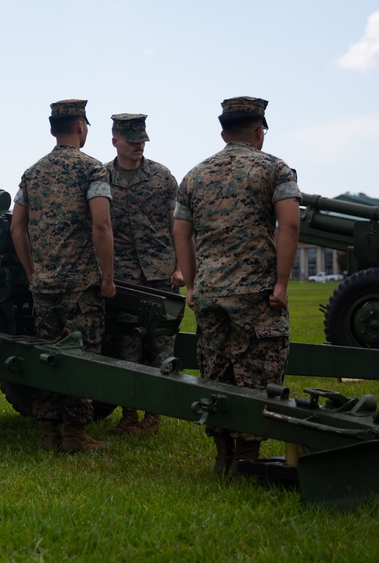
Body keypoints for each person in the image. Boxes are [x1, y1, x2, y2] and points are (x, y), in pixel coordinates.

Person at [172, 96, 301, 475]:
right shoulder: (275, 169)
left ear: (223, 131)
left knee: (217, 372)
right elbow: (290, 225)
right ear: (259, 131)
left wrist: (192, 285)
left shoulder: (195, 175)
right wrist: (280, 283)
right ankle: (246, 457)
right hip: (256, 295)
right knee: (258, 373)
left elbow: (181, 232)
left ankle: (223, 455)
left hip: (210, 292)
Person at [10, 98, 116, 454]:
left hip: (45, 285)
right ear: (81, 127)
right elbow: (101, 224)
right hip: (80, 286)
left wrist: (32, 272)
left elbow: (16, 228)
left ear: (53, 129)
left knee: (49, 356)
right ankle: (75, 435)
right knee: (81, 357)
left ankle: (50, 433)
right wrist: (108, 276)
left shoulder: (32, 172)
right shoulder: (93, 170)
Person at [101, 113, 183, 436]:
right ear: (115, 141)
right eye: (132, 141)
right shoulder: (101, 177)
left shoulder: (162, 178)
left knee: (160, 347)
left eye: (142, 141)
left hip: (161, 276)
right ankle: (129, 415)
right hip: (122, 279)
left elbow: (177, 225)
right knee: (125, 346)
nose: (139, 146)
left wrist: (179, 267)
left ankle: (154, 415)